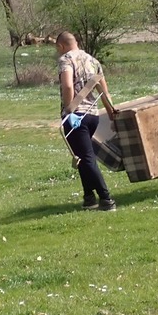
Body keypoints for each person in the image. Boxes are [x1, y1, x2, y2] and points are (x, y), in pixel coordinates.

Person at [56, 32, 117, 211]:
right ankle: (89, 197)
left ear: (61, 46)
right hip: (93, 115)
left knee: (87, 158)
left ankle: (107, 200)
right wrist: (112, 114)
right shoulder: (93, 60)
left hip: (76, 117)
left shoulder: (65, 60)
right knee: (82, 156)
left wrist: (69, 110)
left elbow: (67, 85)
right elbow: (104, 91)